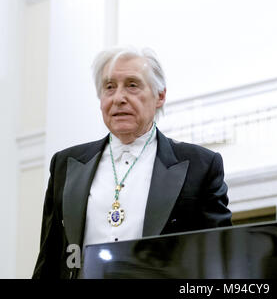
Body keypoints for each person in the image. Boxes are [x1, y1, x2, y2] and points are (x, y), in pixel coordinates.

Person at [32, 46, 232, 279]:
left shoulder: (201, 166)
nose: (118, 98)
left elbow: (220, 261)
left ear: (160, 96)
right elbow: (49, 259)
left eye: (132, 85)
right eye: (109, 87)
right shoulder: (65, 165)